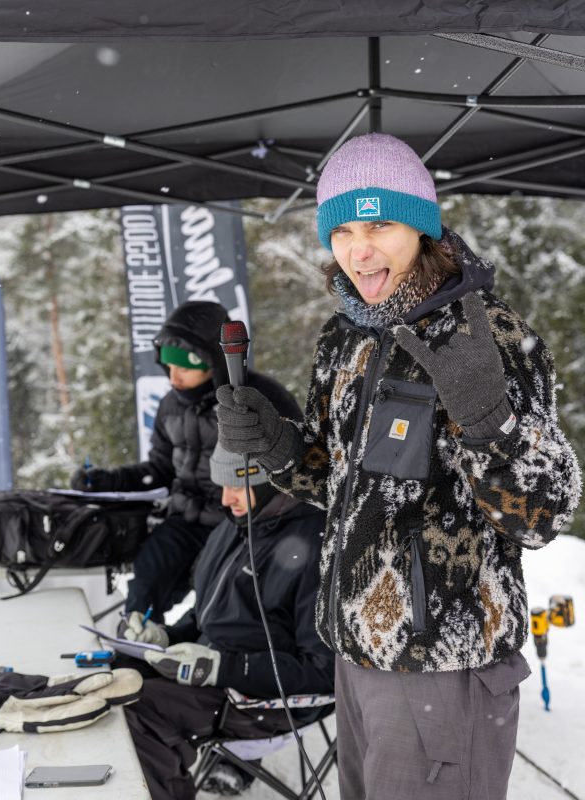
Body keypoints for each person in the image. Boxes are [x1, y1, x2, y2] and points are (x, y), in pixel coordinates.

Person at [216, 133, 583, 800]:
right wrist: (276, 447)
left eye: (380, 225)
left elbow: (544, 513)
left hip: (443, 666)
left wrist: (491, 424)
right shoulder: (346, 334)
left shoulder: (489, 336)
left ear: (421, 227)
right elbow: (337, 482)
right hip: (354, 654)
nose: (359, 250)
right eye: (343, 231)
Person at [122, 440, 334, 800]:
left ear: (271, 482)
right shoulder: (235, 525)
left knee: (138, 712)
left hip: (264, 698)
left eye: (237, 486)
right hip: (213, 672)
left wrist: (224, 668)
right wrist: (166, 636)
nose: (225, 499)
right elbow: (210, 614)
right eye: (222, 486)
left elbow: (323, 672)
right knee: (117, 676)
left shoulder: (316, 546)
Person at [70, 300, 301, 622]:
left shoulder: (259, 397)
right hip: (185, 519)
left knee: (217, 599)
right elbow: (160, 469)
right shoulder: (170, 405)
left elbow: (292, 464)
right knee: (146, 584)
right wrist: (108, 481)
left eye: (184, 368)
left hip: (238, 522)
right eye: (169, 367)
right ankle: (136, 644)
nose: (174, 377)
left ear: (210, 362)